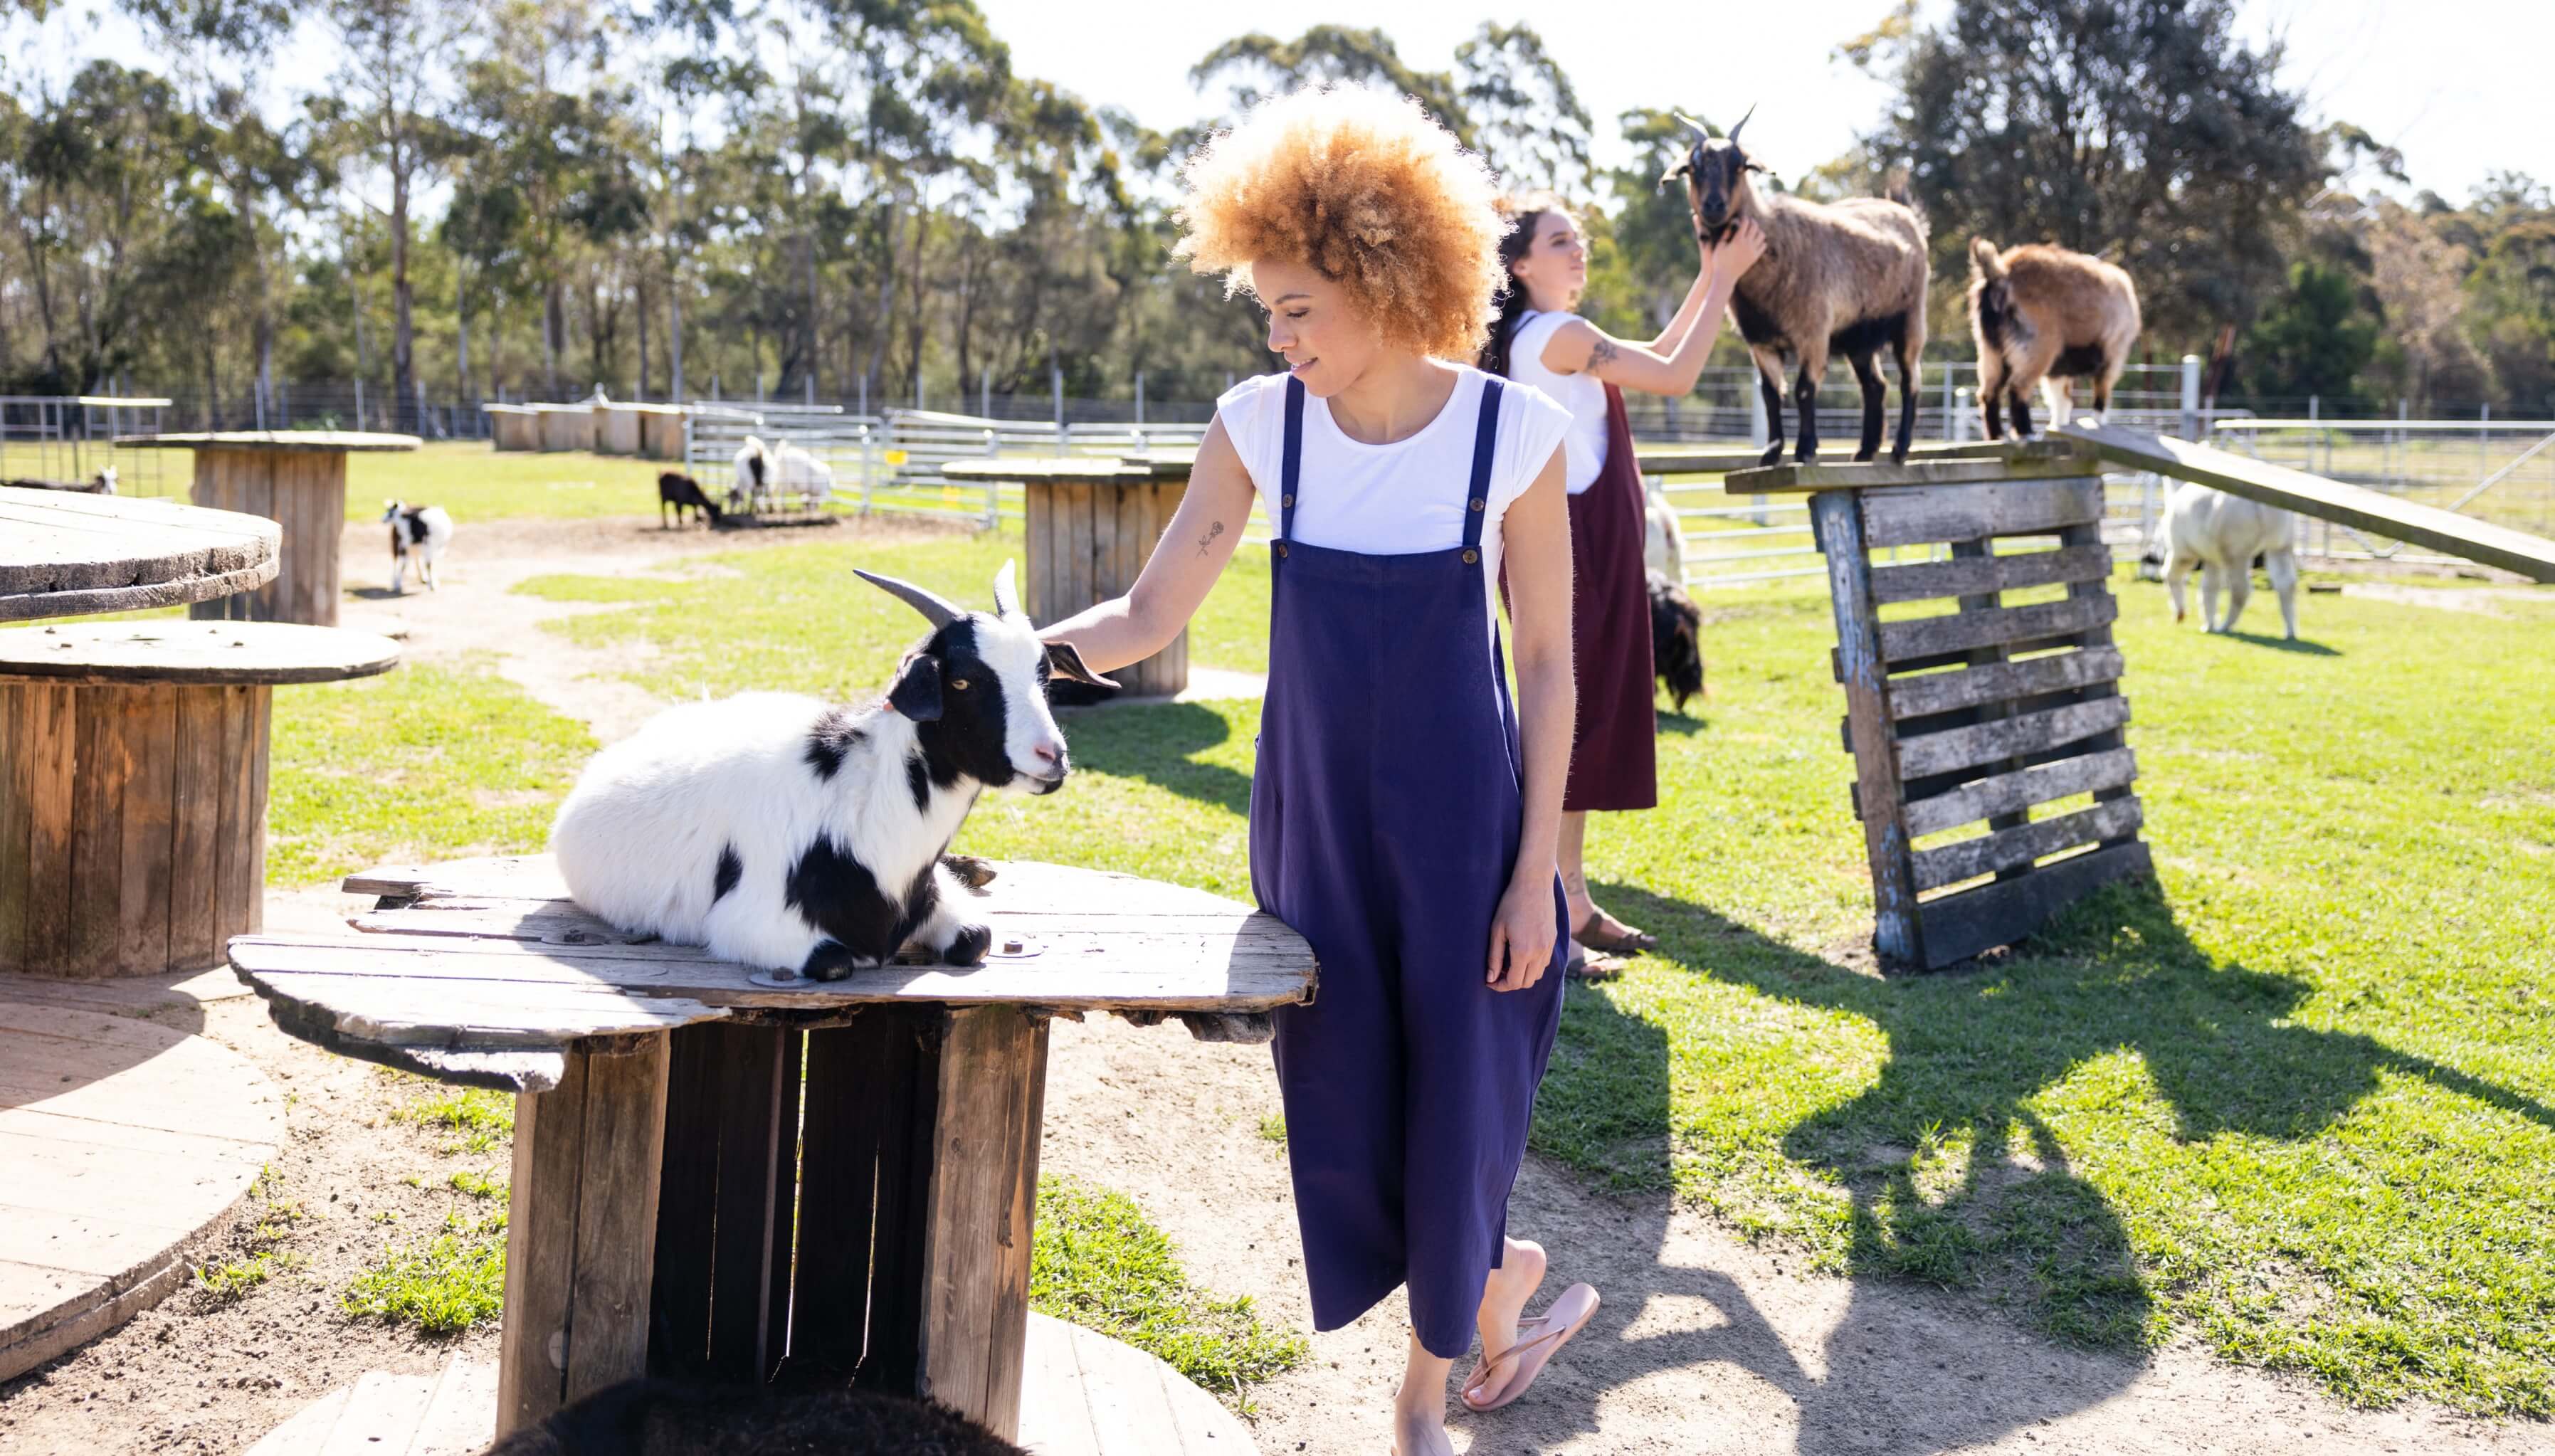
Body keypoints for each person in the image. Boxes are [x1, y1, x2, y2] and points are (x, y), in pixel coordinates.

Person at [1035, 86, 1591, 1456]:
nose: (1277, 337)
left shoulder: (1507, 433)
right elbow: (1151, 616)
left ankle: (1420, 1397)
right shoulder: (1258, 425)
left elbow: (1556, 672)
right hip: (1317, 825)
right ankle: (1499, 1281)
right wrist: (1005, 656)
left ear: (1390, 283)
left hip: (1471, 834)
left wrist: (1541, 881)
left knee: (1456, 1098)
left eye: (1298, 309)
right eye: (1265, 310)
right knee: (1347, 1108)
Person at [1480, 195, 1765, 976]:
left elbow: (1659, 347)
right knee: (1565, 720)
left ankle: (1569, 893)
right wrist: (1729, 277)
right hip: (1568, 539)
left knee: (1585, 711)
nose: (1579, 250)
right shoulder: (1557, 336)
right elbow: (1675, 373)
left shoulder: (1540, 335)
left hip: (1589, 535)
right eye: (1559, 241)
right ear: (1519, 265)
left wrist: (1712, 273)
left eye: (1580, 238)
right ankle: (1546, 901)